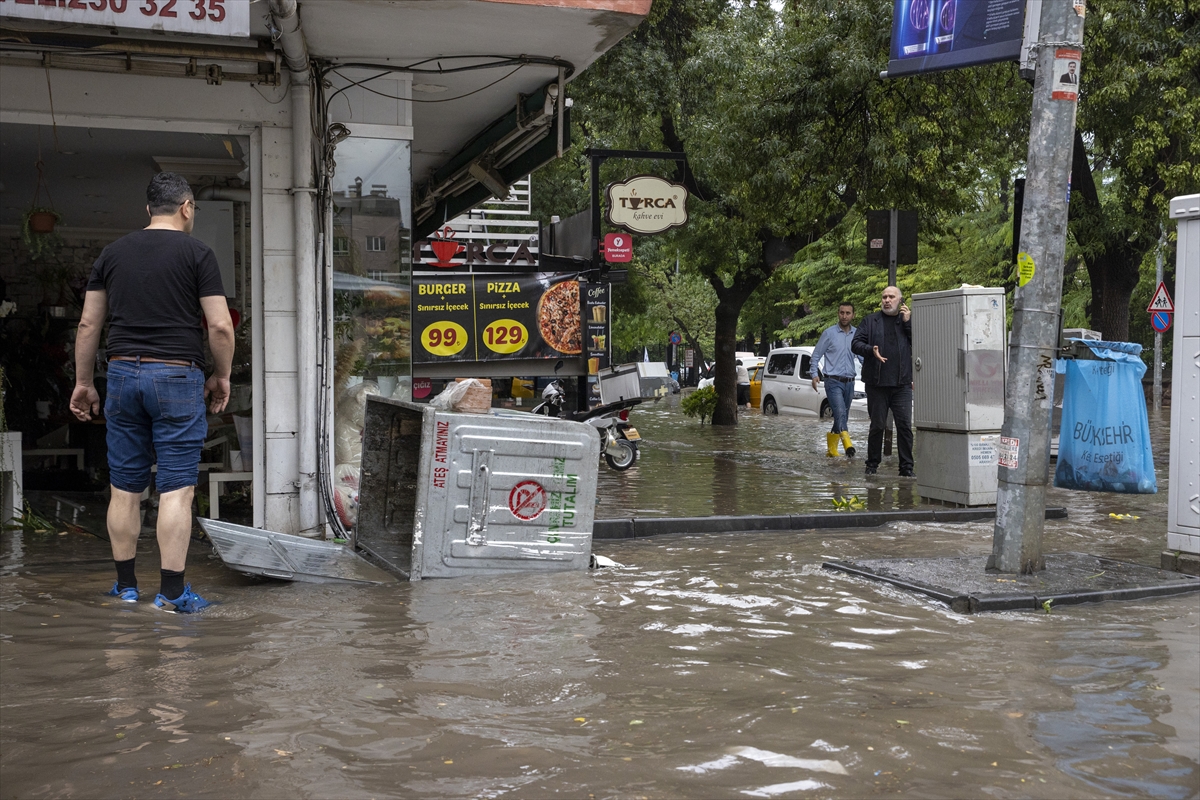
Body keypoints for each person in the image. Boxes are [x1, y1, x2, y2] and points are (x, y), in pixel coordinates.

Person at [70, 172, 234, 613]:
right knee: (176, 489)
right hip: (177, 378)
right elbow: (219, 325)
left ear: (148, 210)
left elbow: (88, 324)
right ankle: (172, 592)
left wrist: (84, 383)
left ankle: (125, 588)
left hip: (121, 376)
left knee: (124, 487)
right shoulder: (198, 253)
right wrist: (223, 374)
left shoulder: (112, 253)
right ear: (186, 207)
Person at [851, 286, 914, 477]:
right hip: (877, 384)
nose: (887, 300)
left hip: (902, 384)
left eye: (891, 297)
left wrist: (908, 323)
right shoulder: (871, 321)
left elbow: (919, 342)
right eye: (884, 297)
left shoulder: (907, 321)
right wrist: (871, 350)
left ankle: (906, 468)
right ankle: (872, 466)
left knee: (904, 426)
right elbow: (855, 344)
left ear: (900, 301)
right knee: (877, 426)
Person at [809, 302, 861, 458]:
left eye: (848, 313)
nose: (844, 316)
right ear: (838, 313)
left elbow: (863, 357)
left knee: (842, 415)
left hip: (850, 382)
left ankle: (832, 450)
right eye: (842, 313)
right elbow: (816, 355)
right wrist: (814, 374)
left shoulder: (857, 334)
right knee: (839, 412)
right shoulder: (829, 333)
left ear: (853, 315)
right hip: (833, 381)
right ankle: (848, 444)